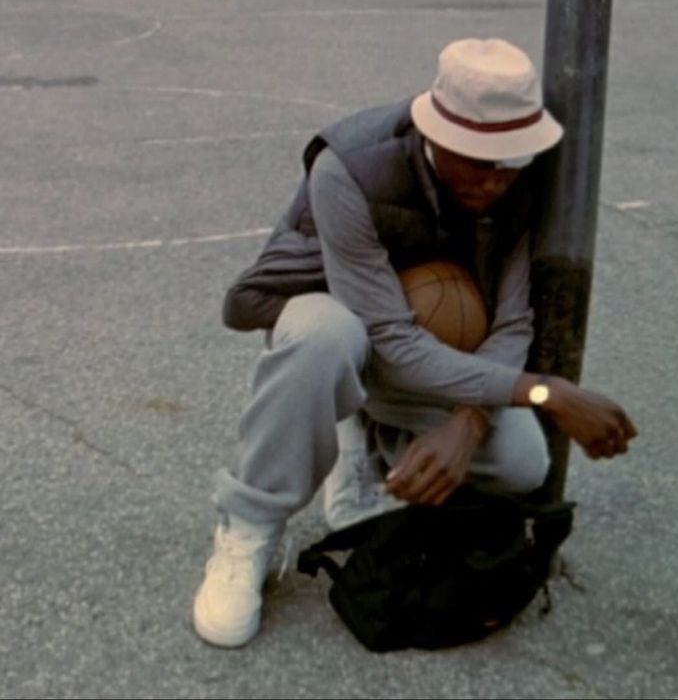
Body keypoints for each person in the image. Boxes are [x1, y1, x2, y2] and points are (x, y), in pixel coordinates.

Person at [192, 38, 638, 649]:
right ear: (437, 133)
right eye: (479, 160)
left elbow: (510, 324)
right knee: (324, 336)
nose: (496, 179)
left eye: (510, 160)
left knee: (522, 464)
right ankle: (249, 528)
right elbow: (390, 340)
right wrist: (545, 391)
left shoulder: (519, 180)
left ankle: (371, 446)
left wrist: (471, 423)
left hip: (434, 352)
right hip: (353, 335)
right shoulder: (349, 167)